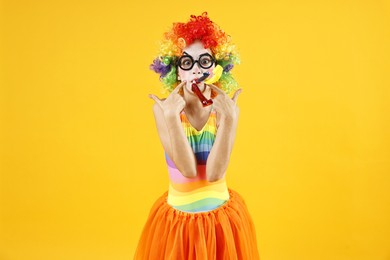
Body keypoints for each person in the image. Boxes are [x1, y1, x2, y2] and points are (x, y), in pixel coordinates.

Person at [134, 12, 260, 260]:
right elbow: (188, 170)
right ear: (175, 71)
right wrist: (171, 117)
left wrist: (230, 119)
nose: (195, 70)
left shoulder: (226, 109)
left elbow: (214, 174)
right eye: (187, 63)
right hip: (177, 224)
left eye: (204, 62)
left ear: (216, 68)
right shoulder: (163, 109)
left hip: (220, 222)